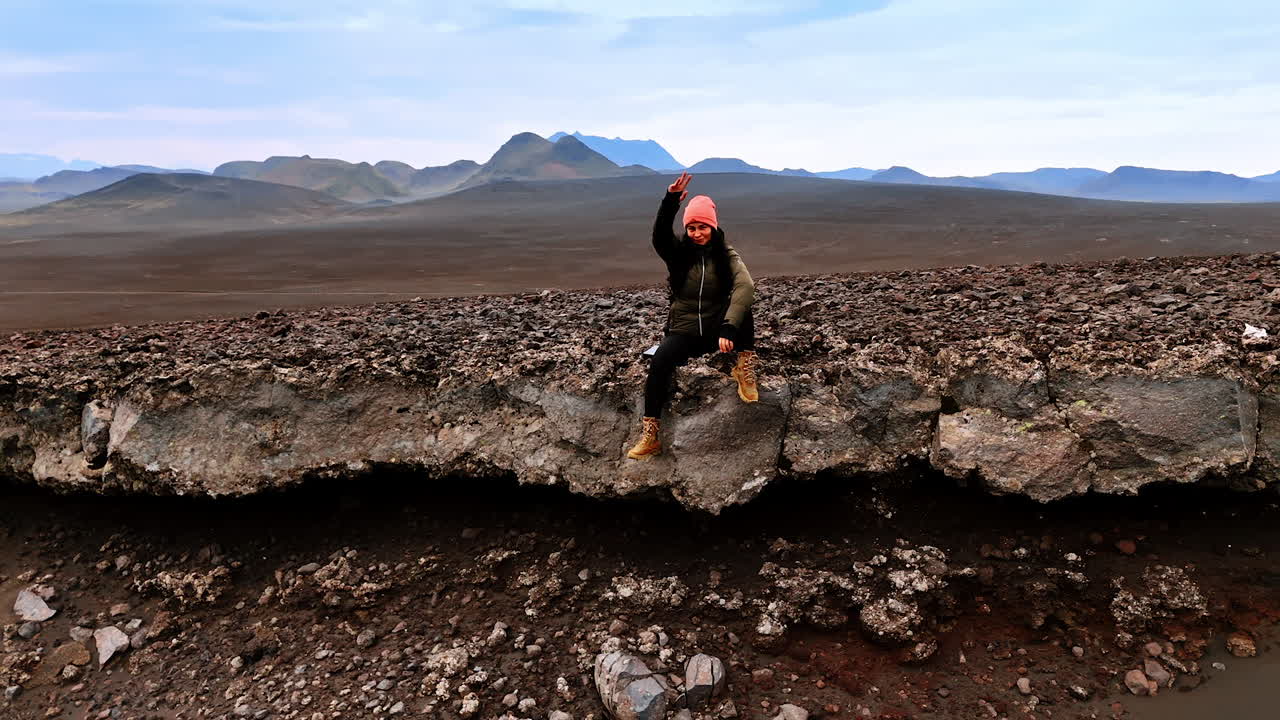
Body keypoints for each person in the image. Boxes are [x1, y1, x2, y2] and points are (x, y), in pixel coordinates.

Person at [627, 171, 758, 460]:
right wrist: (671, 200)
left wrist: (729, 328)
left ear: (713, 226)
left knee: (743, 306)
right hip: (684, 330)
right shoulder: (677, 254)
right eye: (691, 228)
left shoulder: (726, 254)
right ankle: (651, 435)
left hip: (716, 330)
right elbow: (660, 235)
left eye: (702, 227)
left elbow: (745, 285)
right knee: (660, 361)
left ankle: (744, 365)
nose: (696, 233)